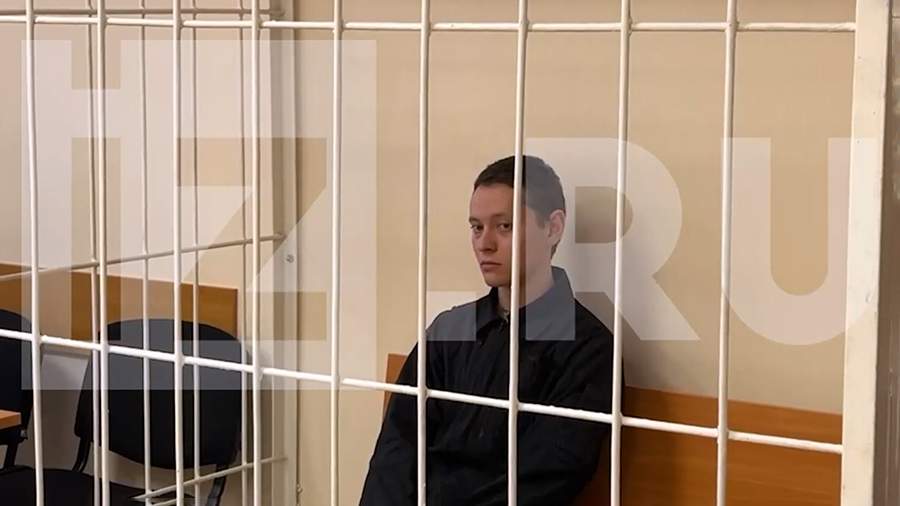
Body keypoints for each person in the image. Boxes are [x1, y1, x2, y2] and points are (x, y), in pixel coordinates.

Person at [360, 155, 614, 506]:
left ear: (553, 227)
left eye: (504, 226)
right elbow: (396, 450)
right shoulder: (449, 330)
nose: (485, 243)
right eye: (476, 227)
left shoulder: (589, 350)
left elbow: (541, 481)